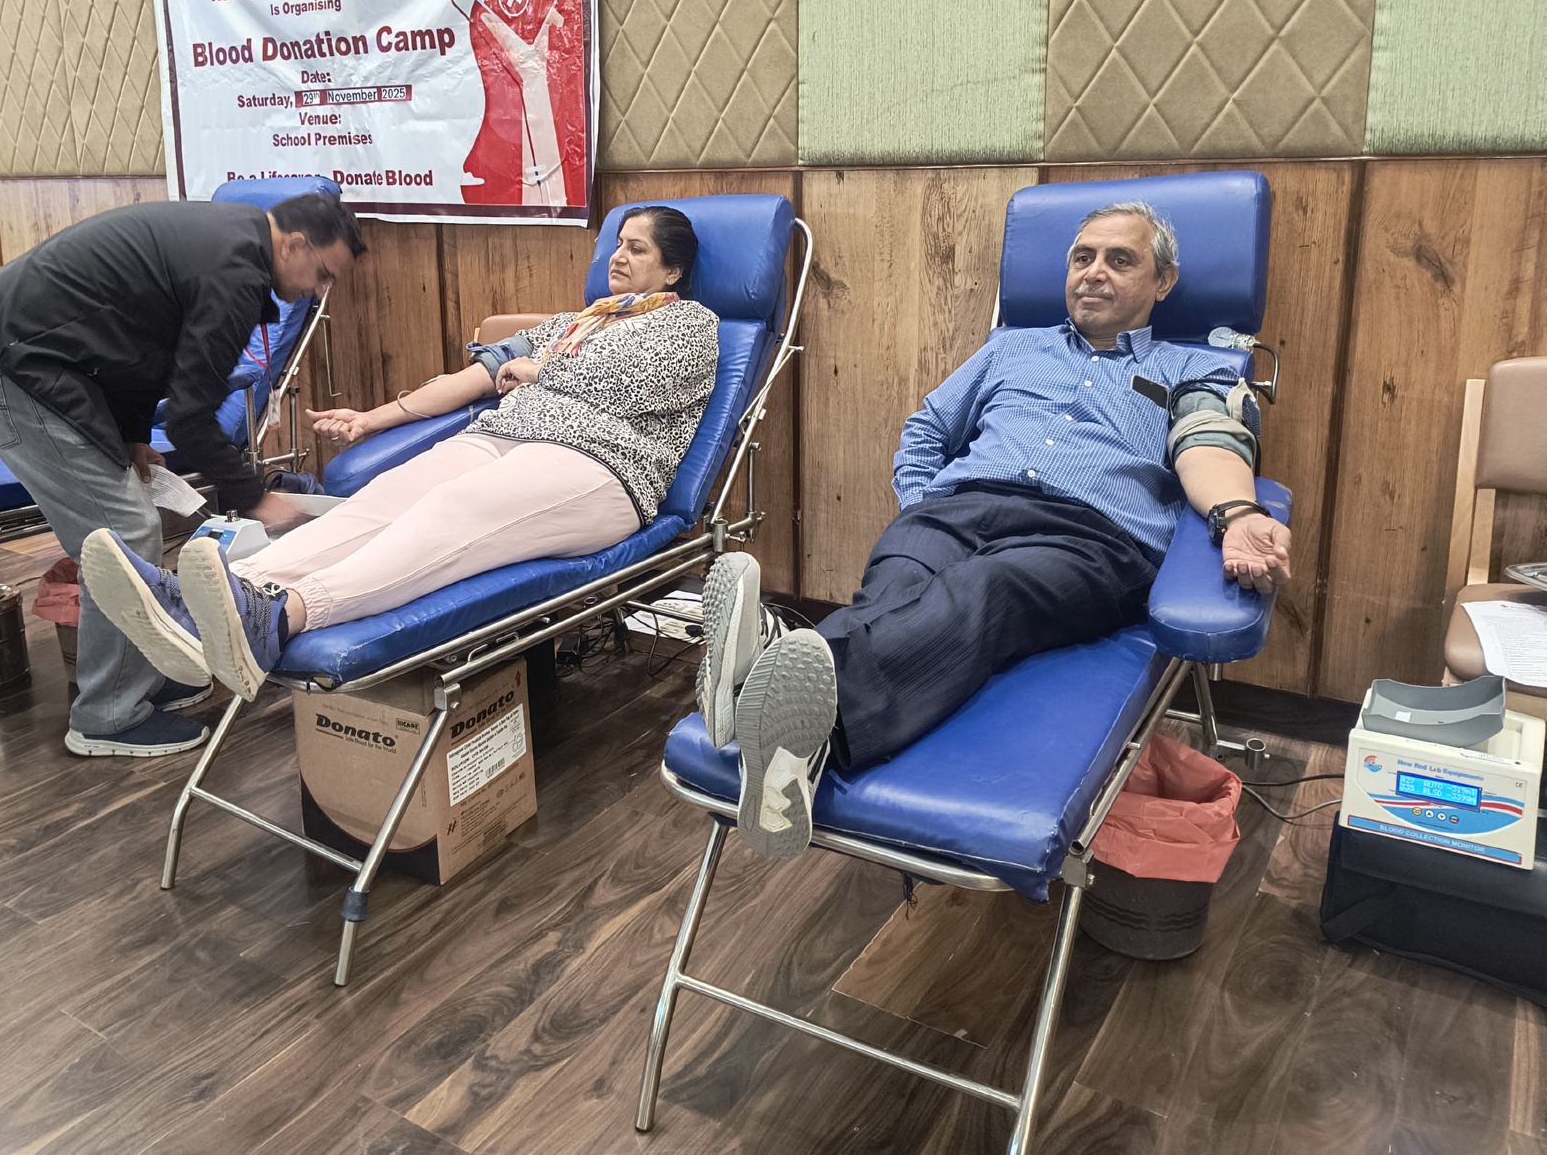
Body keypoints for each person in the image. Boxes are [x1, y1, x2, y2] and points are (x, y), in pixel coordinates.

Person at [694, 201, 1294, 858]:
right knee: (900, 576)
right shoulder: (1012, 347)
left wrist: (1237, 514)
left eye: (1120, 260)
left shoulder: (1192, 369)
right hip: (957, 508)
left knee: (985, 586)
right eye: (1083, 257)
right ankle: (795, 748)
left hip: (1088, 538)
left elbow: (1209, 441)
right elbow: (928, 429)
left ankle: (771, 679)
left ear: (1164, 281)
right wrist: (922, 507)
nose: (1094, 272)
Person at [82, 206, 719, 700]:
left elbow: (637, 384)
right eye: (618, 243)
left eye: (638, 249)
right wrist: (371, 419)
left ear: (672, 272)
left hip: (600, 467)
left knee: (455, 506)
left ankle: (283, 617)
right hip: (505, 437)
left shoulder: (691, 324)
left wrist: (540, 371)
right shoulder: (577, 321)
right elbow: (474, 378)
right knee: (383, 498)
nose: (618, 256)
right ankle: (215, 600)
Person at [0, 193, 365, 758]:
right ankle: (107, 716)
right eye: (322, 274)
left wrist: (131, 436)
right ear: (292, 244)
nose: (317, 291)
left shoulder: (231, 239)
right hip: (6, 358)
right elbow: (190, 418)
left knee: (128, 521)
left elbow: (142, 347)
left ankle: (133, 677)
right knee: (122, 531)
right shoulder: (235, 273)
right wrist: (255, 498)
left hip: (37, 351)